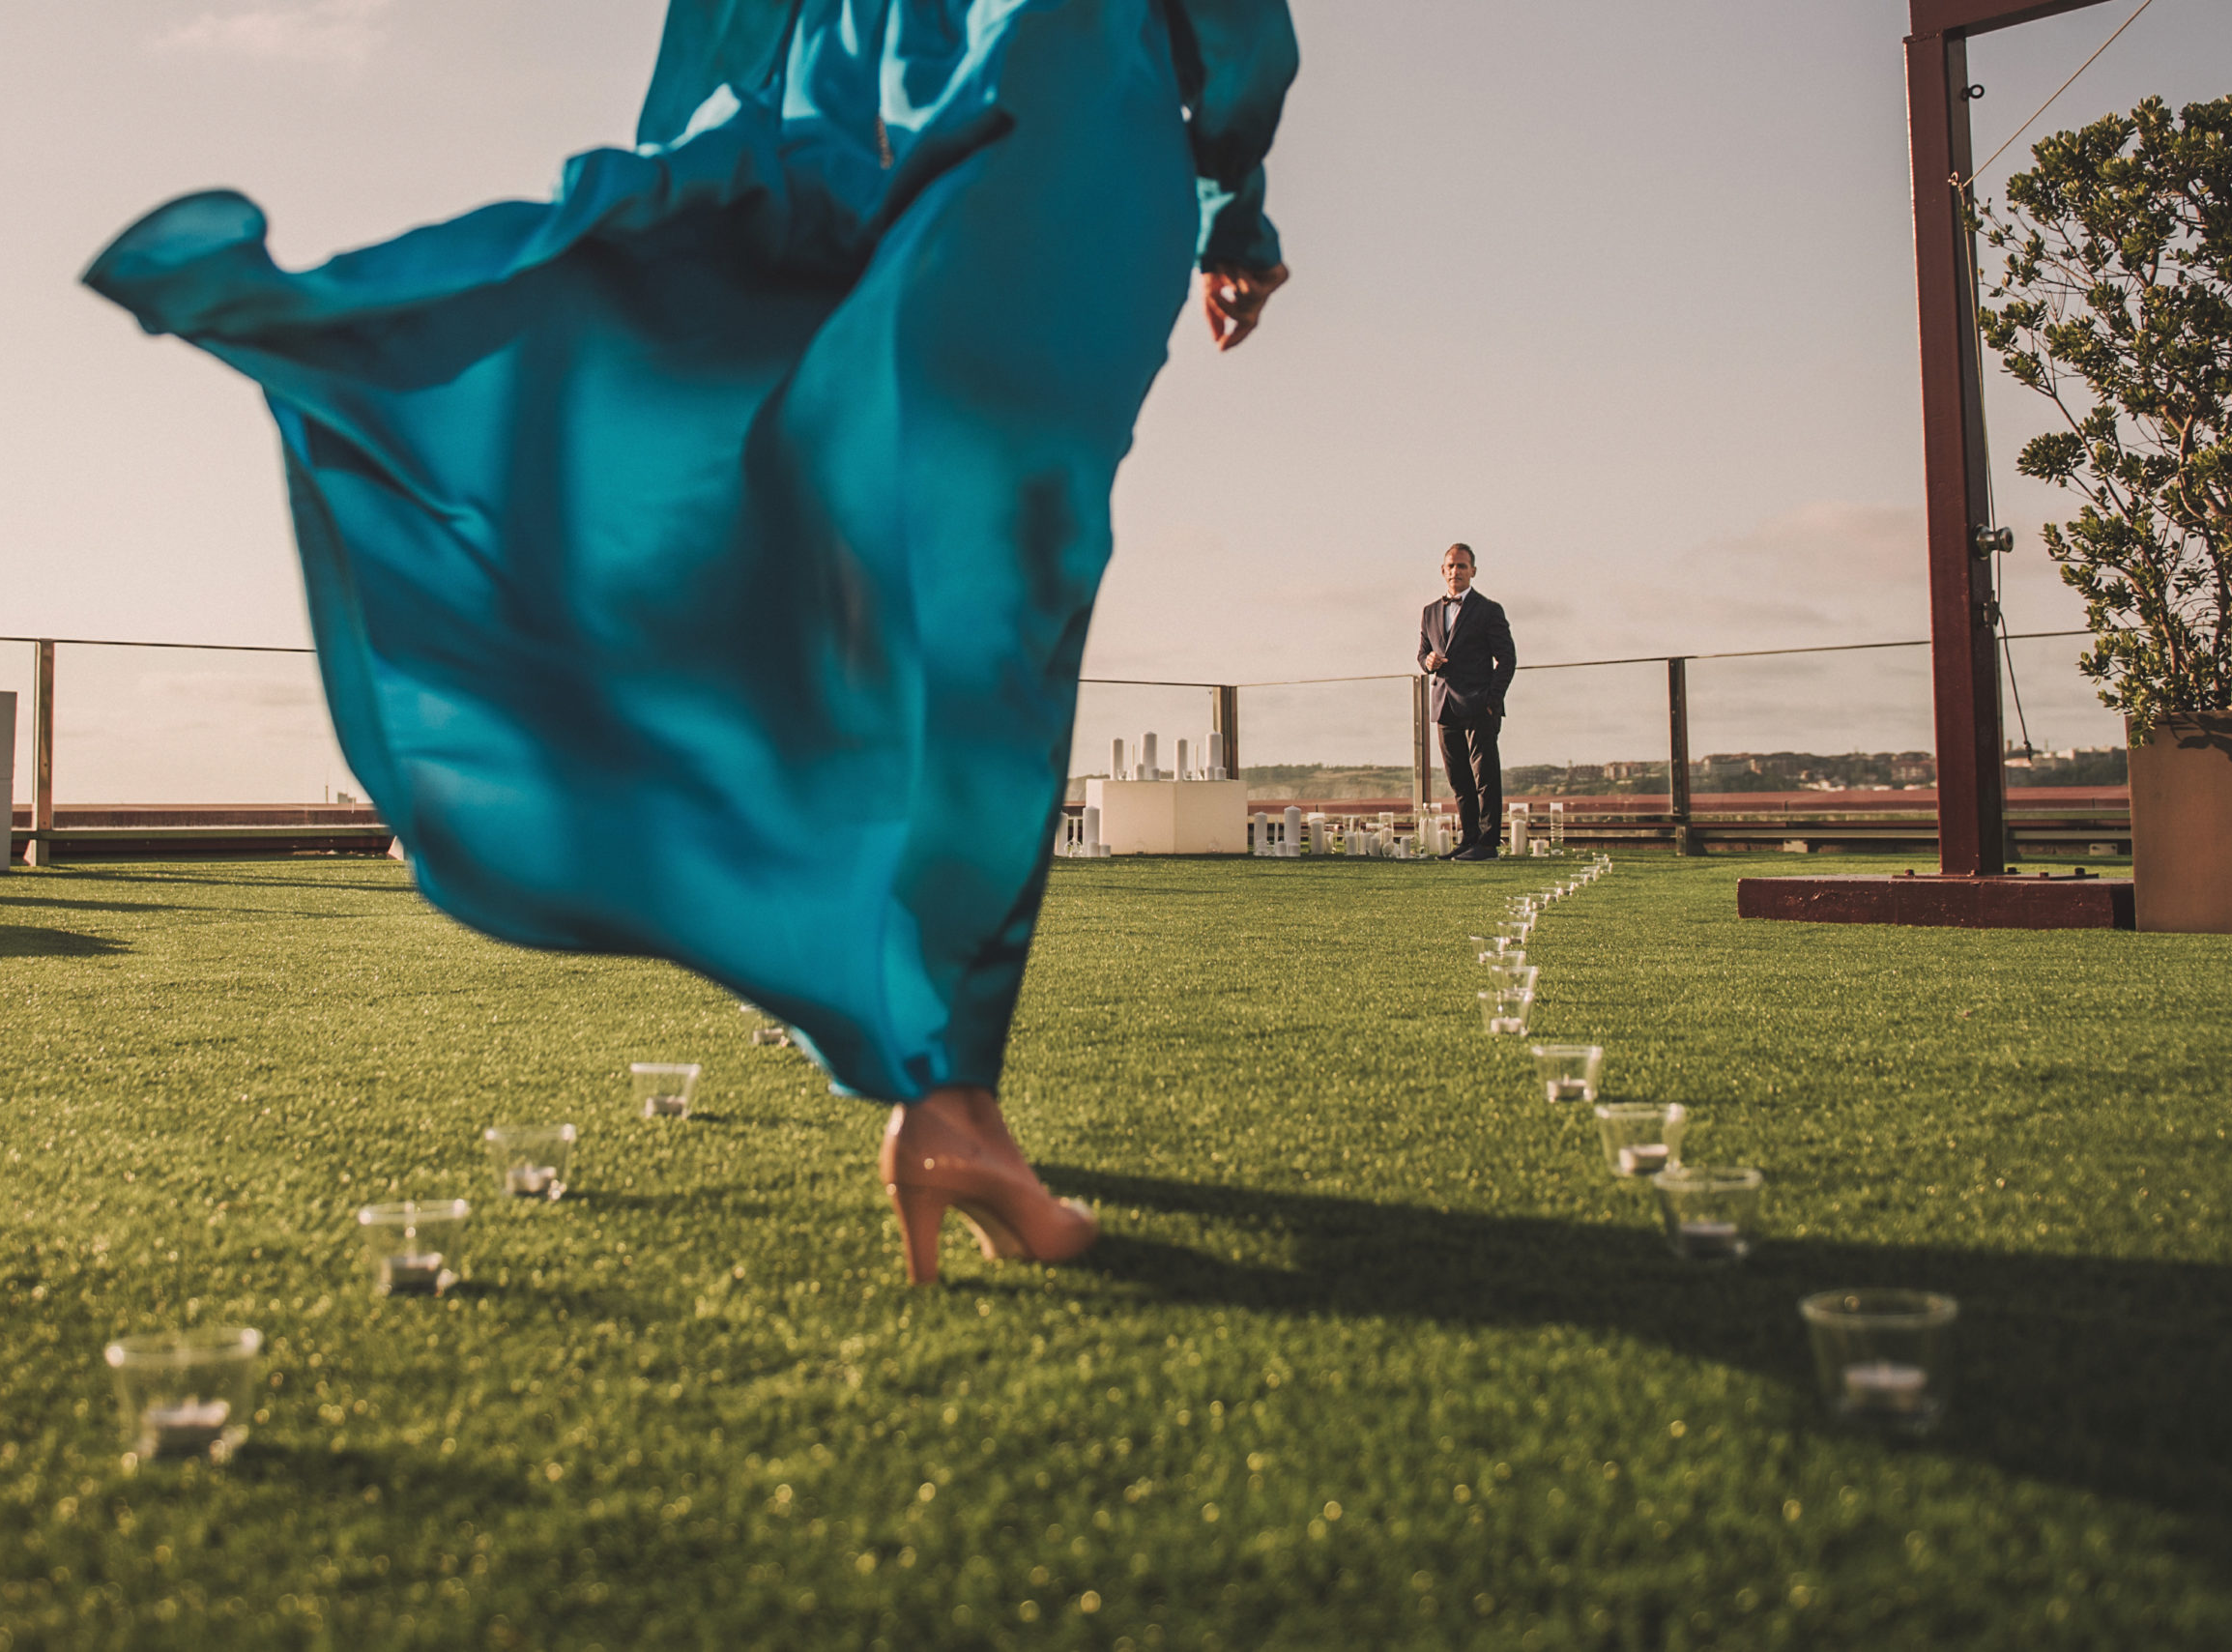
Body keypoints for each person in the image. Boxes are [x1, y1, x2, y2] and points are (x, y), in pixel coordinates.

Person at [83, 0, 1296, 1285]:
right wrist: (1237, 205)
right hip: (1059, 96)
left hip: (860, 90)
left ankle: (939, 1069)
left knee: (919, 558)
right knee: (1002, 582)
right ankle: (944, 1090)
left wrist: (730, 149)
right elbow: (1235, 34)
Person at [1418, 543, 1516, 861]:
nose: (1456, 571)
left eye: (1462, 566)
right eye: (1451, 566)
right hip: (1444, 704)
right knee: (1458, 779)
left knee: (1485, 778)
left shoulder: (1489, 610)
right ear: (1443, 571)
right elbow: (1422, 653)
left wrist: (1492, 700)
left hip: (1479, 706)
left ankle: (1488, 844)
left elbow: (1508, 659)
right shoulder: (1430, 611)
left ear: (1473, 571)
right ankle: (1469, 838)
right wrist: (1427, 661)